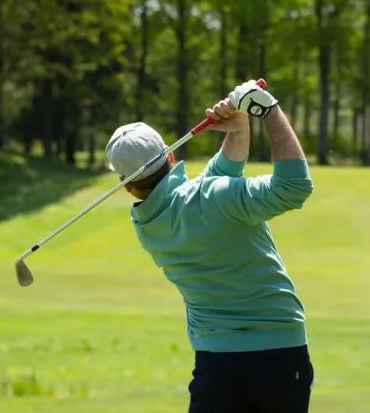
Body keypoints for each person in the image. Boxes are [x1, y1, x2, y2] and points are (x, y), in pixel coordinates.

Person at [105, 80, 315, 413]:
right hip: (279, 353)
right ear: (170, 155)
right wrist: (269, 110)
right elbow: (293, 186)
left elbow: (217, 179)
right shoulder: (209, 197)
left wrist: (238, 127)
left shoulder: (147, 224)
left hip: (215, 363)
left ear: (125, 185)